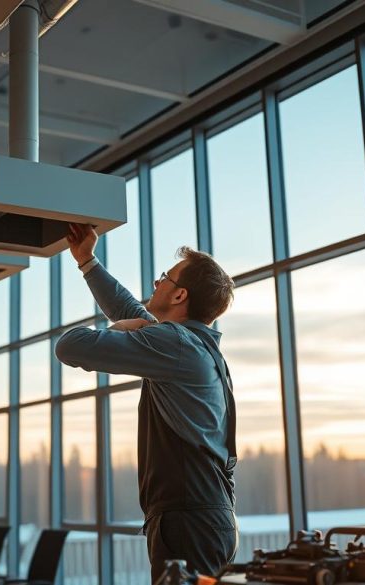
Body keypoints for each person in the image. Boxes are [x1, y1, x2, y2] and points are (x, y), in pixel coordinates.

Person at [54, 223, 239, 583]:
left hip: (189, 521)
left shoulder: (177, 344)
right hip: (203, 516)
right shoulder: (192, 345)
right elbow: (131, 309)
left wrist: (121, 331)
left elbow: (70, 345)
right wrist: (87, 262)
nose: (157, 283)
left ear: (180, 295)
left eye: (164, 279)